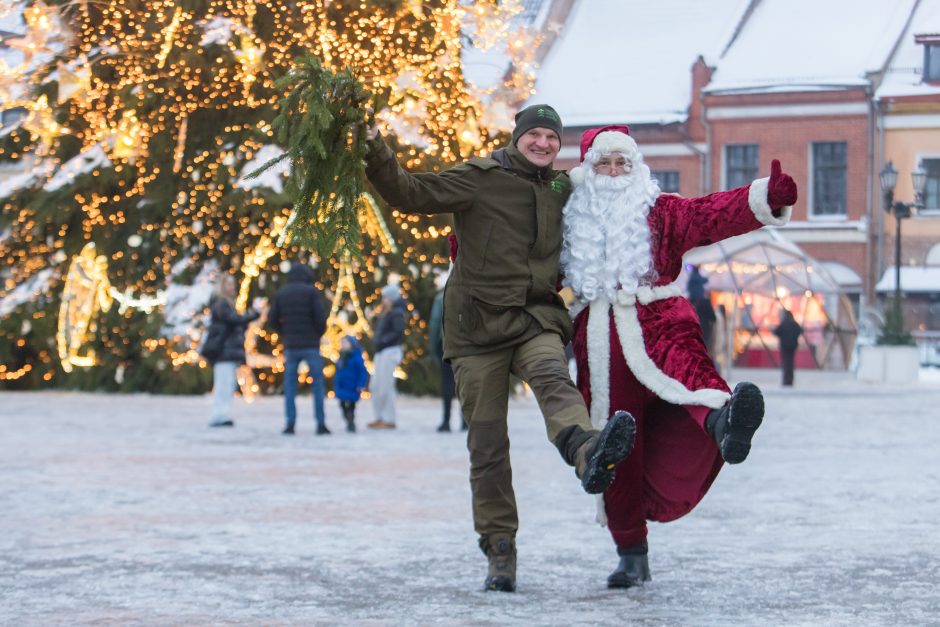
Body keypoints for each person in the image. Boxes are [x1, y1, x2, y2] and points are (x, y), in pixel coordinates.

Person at [364, 104, 636, 592]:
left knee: (554, 378)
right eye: (534, 135)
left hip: (534, 318)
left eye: (551, 138)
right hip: (476, 331)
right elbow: (409, 191)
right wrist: (372, 146)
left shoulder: (561, 186)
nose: (543, 145)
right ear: (517, 138)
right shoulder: (479, 177)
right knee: (487, 447)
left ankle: (588, 451)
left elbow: (615, 191)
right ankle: (500, 551)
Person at [560, 125, 797, 588]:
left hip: (659, 313)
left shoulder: (661, 210)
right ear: (587, 170)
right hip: (599, 339)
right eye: (604, 164)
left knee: (691, 372)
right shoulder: (567, 215)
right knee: (617, 445)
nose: (613, 173)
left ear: (636, 169)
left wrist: (765, 198)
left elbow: (710, 214)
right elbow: (529, 259)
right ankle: (632, 553)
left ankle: (725, 423)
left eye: (622, 164)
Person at [266, 262, 328, 435]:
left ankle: (290, 423)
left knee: (290, 386)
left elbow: (272, 320)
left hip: (292, 345)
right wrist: (317, 334)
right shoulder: (311, 293)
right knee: (317, 386)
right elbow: (320, 318)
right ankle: (321, 423)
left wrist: (285, 332)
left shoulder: (282, 293)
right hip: (311, 345)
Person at [206, 274, 260, 427]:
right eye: (229, 284)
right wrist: (253, 315)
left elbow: (235, 322)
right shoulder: (221, 304)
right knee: (224, 384)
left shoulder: (227, 304)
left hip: (227, 351)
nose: (233, 287)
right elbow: (233, 320)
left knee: (228, 384)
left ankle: (222, 414)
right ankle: (219, 415)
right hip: (223, 351)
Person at [368, 284, 408, 430]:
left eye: (385, 297)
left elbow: (398, 333)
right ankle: (379, 416)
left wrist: (383, 341)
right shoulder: (385, 312)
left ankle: (388, 418)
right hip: (381, 352)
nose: (383, 299)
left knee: (386, 386)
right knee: (376, 386)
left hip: (389, 351)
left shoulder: (396, 312)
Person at [429, 271, 464, 432]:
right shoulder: (467, 296)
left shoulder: (440, 298)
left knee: (448, 384)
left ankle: (446, 421)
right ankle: (465, 421)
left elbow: (435, 323)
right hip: (466, 347)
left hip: (447, 346)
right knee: (464, 384)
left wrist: (433, 347)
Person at [333, 334, 369, 432]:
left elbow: (362, 373)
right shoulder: (341, 358)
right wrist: (336, 384)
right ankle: (348, 420)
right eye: (342, 343)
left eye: (345, 343)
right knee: (342, 405)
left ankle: (351, 422)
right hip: (342, 387)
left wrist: (360, 385)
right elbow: (338, 373)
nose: (343, 345)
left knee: (352, 406)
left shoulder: (357, 358)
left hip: (352, 387)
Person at [773, 309, 803, 386]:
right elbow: (800, 330)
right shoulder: (794, 324)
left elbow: (776, 332)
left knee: (786, 363)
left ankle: (786, 381)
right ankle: (790, 380)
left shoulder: (783, 324)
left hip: (784, 347)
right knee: (791, 363)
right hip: (792, 346)